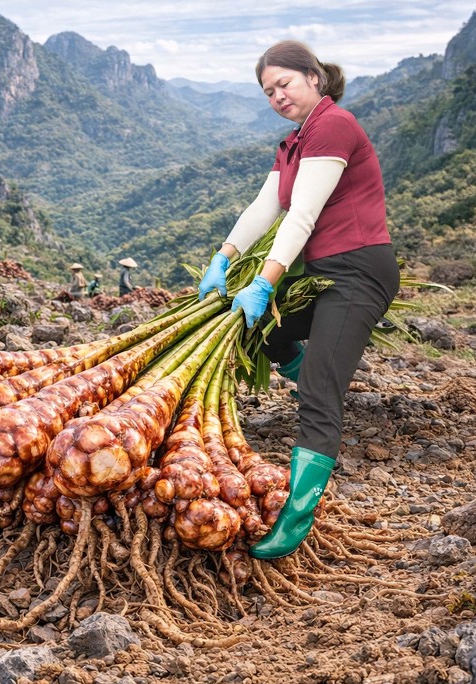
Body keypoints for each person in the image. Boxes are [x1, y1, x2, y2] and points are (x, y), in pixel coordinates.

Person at [195, 40, 399, 559]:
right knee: (263, 333)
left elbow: (302, 215)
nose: (277, 96)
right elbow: (266, 206)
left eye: (283, 84)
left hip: (359, 274)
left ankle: (297, 515)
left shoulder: (334, 125)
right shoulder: (293, 142)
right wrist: (224, 255)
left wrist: (264, 280)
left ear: (314, 77)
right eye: (267, 92)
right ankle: (315, 369)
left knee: (318, 395)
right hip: (322, 274)